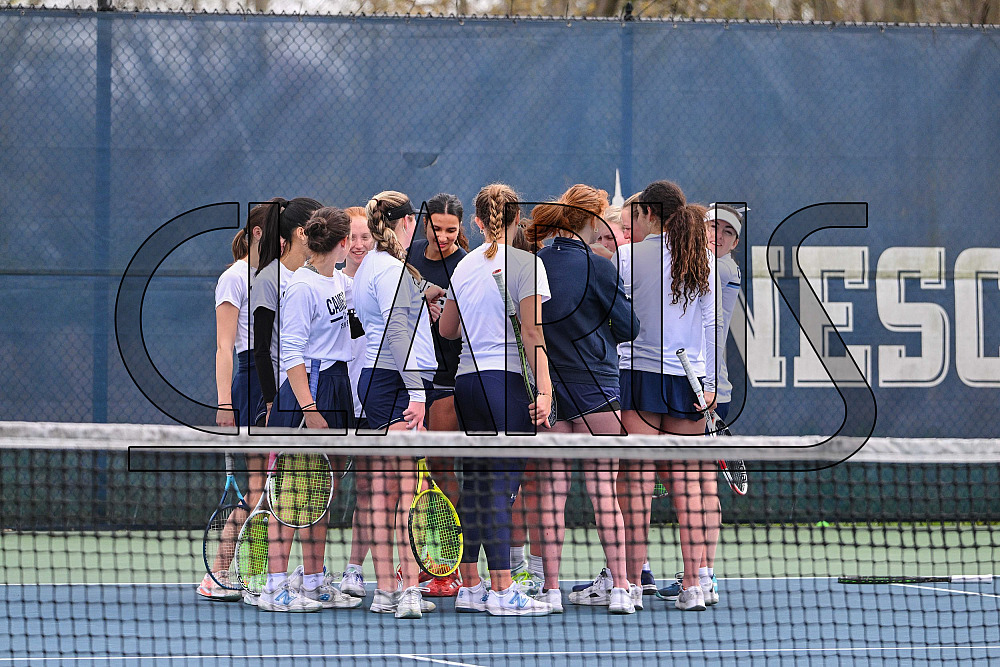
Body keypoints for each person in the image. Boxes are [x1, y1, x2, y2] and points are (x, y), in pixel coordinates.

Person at [437, 183, 555, 617]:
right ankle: (503, 591)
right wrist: (544, 389)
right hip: (503, 385)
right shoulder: (527, 263)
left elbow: (448, 330)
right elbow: (532, 332)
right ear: (517, 219)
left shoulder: (463, 267)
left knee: (478, 484)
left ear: (477, 222)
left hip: (468, 384)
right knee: (501, 487)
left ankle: (471, 586)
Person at [525, 184, 641, 615]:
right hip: (596, 391)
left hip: (550, 393)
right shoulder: (601, 267)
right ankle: (621, 589)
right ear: (590, 221)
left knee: (553, 493)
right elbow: (629, 327)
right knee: (604, 494)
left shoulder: (532, 265)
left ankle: (551, 591)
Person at [620, 180, 718, 612]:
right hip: (688, 382)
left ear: (647, 214)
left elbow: (617, 323)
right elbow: (712, 327)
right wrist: (710, 383)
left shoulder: (625, 258)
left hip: (638, 378)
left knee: (637, 485)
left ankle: (633, 586)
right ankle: (694, 585)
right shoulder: (703, 259)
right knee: (689, 488)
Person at [353, 190, 437, 619]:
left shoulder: (371, 266)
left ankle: (388, 590)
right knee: (403, 489)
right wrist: (418, 394)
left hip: (376, 380)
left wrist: (426, 295)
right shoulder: (392, 271)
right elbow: (394, 331)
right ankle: (404, 590)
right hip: (397, 383)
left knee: (383, 491)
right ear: (405, 224)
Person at [657, 203, 743, 607]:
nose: (718, 236)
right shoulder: (710, 265)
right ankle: (702, 574)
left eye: (728, 232)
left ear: (735, 244)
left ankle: (701, 575)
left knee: (698, 483)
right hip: (705, 384)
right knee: (699, 481)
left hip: (702, 387)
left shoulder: (717, 267)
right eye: (713, 227)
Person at [249, 196, 326, 613]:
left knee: (312, 493)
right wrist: (272, 399)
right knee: (286, 495)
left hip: (314, 393)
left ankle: (311, 579)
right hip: (286, 398)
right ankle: (274, 585)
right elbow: (263, 350)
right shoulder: (269, 280)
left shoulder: (317, 277)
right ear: (300, 232)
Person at [197, 204, 268, 602]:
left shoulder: (278, 277)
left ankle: (252, 573)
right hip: (249, 382)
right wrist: (225, 402)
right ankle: (222, 573)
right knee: (259, 488)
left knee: (267, 487)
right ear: (259, 234)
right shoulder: (233, 278)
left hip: (277, 380)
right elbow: (225, 346)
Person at [406, 192, 469, 597]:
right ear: (423, 223)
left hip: (447, 376)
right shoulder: (407, 258)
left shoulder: (467, 264)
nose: (443, 236)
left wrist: (449, 315)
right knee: (406, 478)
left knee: (443, 470)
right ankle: (410, 566)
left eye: (451, 229)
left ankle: (448, 565)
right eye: (436, 227)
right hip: (408, 377)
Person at [338, 206, 376, 600]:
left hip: (370, 402)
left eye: (367, 237)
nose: (360, 245)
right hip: (334, 401)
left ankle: (354, 570)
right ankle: (310, 574)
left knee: (368, 489)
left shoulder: (383, 282)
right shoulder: (330, 286)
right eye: (353, 238)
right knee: (321, 487)